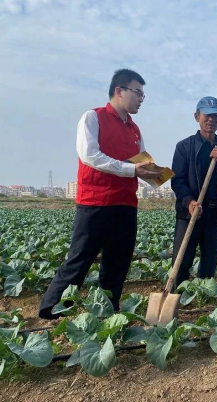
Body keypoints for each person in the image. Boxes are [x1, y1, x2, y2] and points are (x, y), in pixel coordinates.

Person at [39, 69, 160, 319]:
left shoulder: (135, 130)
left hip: (126, 204)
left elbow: (142, 164)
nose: (141, 99)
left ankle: (108, 310)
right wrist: (130, 169)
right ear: (119, 91)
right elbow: (90, 155)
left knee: (117, 263)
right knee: (79, 259)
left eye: (143, 95)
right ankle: (51, 310)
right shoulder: (93, 118)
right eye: (138, 93)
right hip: (96, 203)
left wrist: (157, 175)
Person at [171, 96, 217, 285]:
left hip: (215, 215)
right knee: (181, 262)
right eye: (207, 115)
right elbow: (177, 181)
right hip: (190, 213)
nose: (211, 120)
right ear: (197, 117)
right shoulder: (184, 147)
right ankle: (176, 298)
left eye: (216, 116)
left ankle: (201, 298)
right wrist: (189, 202)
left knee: (209, 264)